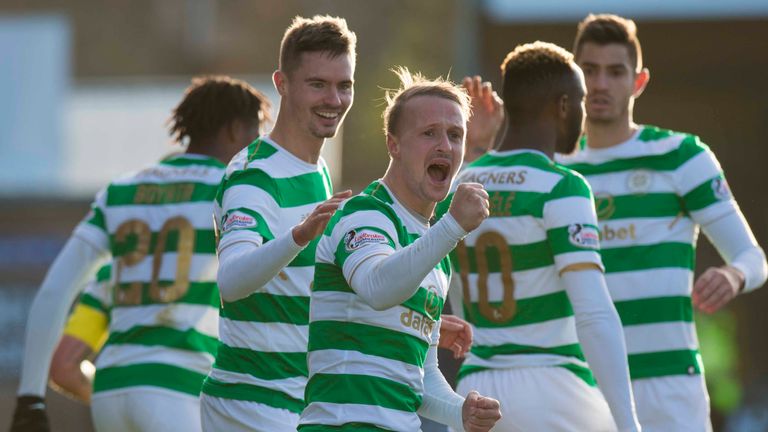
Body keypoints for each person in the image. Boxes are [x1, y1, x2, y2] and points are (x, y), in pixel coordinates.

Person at [10, 75, 271, 432]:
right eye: (254, 137)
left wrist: (30, 398)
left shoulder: (122, 191)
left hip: (110, 391)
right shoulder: (234, 190)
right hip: (180, 387)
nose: (257, 151)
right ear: (233, 131)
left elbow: (55, 290)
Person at [556, 14, 768, 431]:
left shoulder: (682, 156)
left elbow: (753, 256)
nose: (600, 84)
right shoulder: (554, 169)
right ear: (572, 79)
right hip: (582, 385)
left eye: (615, 72)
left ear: (639, 82)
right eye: (589, 71)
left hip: (669, 387)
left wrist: (734, 274)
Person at [437, 42, 641, 431]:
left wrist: (480, 146)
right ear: (563, 105)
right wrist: (630, 423)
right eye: (580, 102)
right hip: (553, 388)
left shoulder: (460, 186)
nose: (583, 115)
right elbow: (595, 314)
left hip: (475, 395)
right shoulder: (562, 186)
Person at [298, 67, 501, 432]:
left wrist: (461, 411)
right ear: (393, 144)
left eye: (455, 135)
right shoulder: (364, 213)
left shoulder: (435, 252)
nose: (445, 146)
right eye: (429, 133)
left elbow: (419, 376)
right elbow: (378, 288)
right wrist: (452, 226)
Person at [198, 15, 355, 431]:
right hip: (251, 403)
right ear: (282, 84)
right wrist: (299, 235)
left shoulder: (316, 169)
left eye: (344, 85)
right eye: (317, 84)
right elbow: (231, 281)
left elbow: (307, 293)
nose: (334, 99)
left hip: (294, 402)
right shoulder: (254, 175)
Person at [48, 264, 112, 404]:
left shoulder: (109, 275)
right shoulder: (172, 271)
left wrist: (109, 401)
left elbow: (63, 368)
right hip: (169, 398)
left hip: (116, 404)